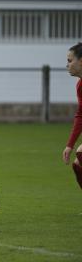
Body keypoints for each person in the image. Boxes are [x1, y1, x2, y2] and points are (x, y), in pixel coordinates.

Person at [63, 42, 82, 189]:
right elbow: (80, 115)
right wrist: (69, 145)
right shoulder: (80, 85)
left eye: (70, 61)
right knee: (77, 165)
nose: (67, 65)